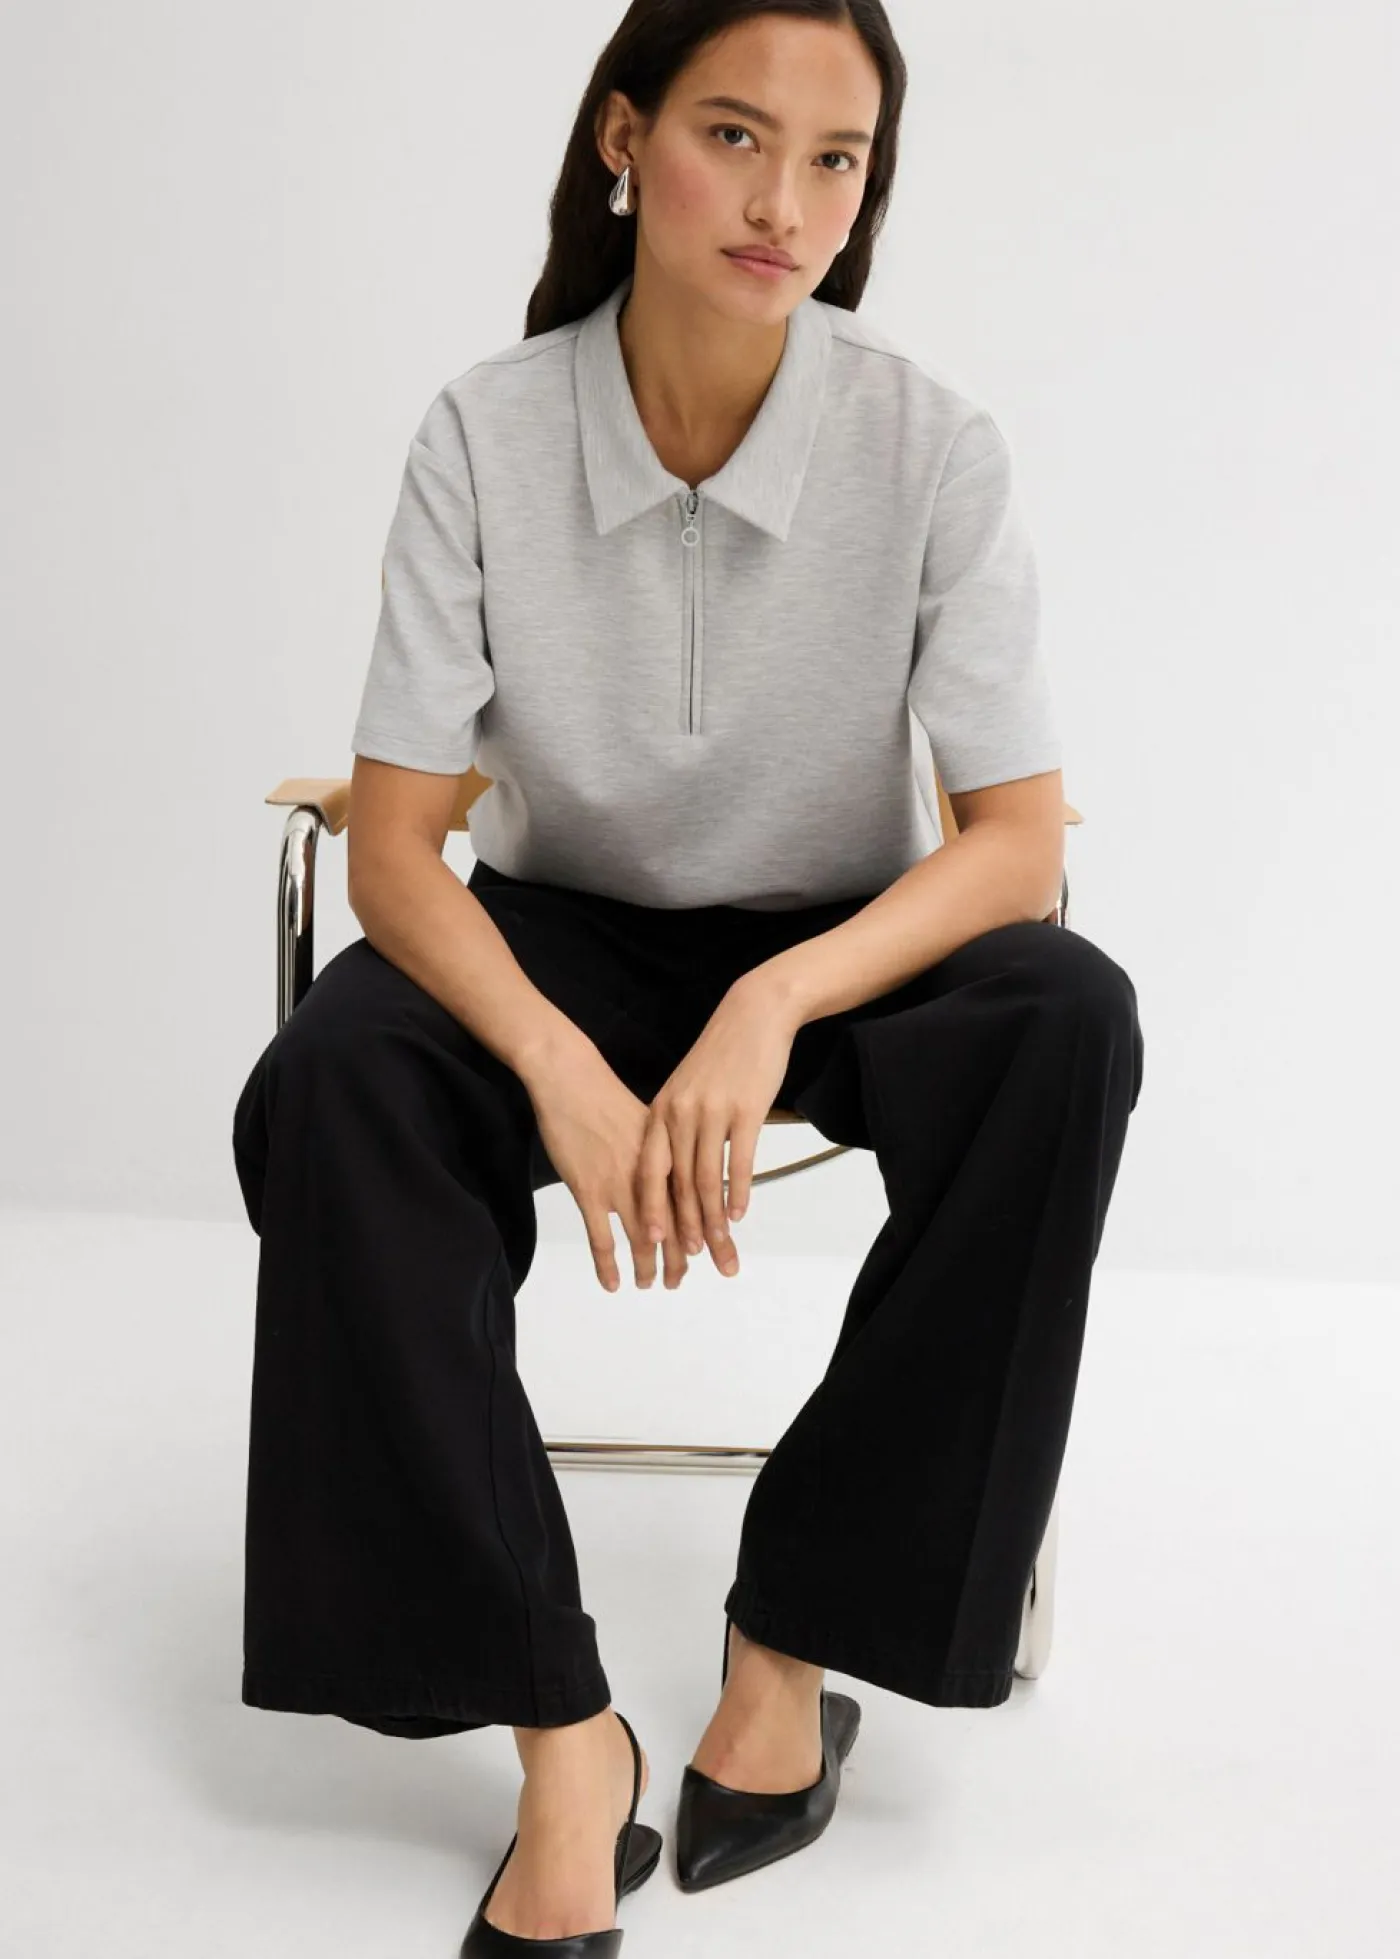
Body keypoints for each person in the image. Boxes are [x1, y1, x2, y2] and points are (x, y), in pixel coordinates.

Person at [231, 0, 1145, 1946]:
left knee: (1066, 1021)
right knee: (337, 1079)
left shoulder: (930, 445)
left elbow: (1013, 842)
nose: (785, 202)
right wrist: (560, 1065)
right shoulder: (484, 432)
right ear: (623, 139)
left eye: (836, 160)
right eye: (735, 135)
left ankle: (794, 1636)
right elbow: (396, 851)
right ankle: (561, 1731)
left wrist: (774, 999)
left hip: (834, 940)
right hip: (555, 926)